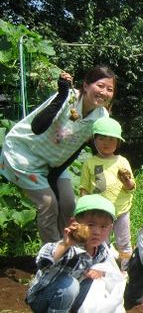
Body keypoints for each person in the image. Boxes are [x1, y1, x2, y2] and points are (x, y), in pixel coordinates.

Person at [0, 66, 116, 243]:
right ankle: (52, 256)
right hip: (23, 154)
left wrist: (55, 173)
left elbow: (77, 147)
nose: (104, 92)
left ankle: (68, 246)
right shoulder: (67, 98)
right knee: (48, 204)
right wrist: (61, 96)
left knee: (69, 203)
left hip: (53, 161)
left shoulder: (101, 117)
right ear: (85, 86)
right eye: (100, 86)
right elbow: (37, 127)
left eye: (110, 89)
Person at [25, 194, 117, 312]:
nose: (97, 232)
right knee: (70, 285)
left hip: (71, 300)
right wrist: (65, 244)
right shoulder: (70, 247)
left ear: (110, 228)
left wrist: (99, 272)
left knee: (95, 283)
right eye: (90, 225)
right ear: (74, 223)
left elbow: (106, 269)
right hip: (43, 299)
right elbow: (43, 262)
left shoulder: (102, 251)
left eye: (103, 226)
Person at [79, 117, 135, 270]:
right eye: (101, 138)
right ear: (94, 140)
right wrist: (85, 208)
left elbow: (131, 187)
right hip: (100, 213)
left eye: (111, 139)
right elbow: (84, 188)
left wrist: (126, 181)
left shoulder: (122, 161)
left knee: (124, 241)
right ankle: (101, 267)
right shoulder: (90, 163)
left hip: (121, 209)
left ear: (118, 142)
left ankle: (126, 269)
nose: (106, 143)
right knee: (100, 240)